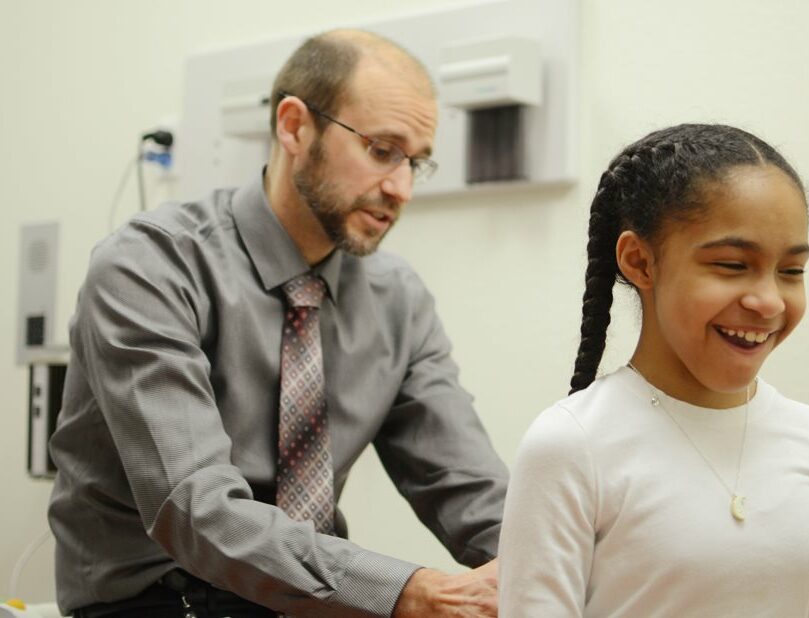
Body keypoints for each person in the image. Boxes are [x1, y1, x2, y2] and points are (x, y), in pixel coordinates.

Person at [48, 29, 507, 618]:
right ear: (294, 127)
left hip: (315, 604)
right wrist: (408, 590)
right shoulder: (149, 266)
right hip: (162, 600)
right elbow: (195, 511)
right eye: (382, 150)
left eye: (416, 162)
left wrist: (553, 564)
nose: (402, 188)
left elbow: (466, 486)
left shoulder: (399, 301)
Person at [498, 124, 809, 616]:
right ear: (640, 262)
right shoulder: (571, 445)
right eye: (732, 265)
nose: (769, 301)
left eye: (791, 271)